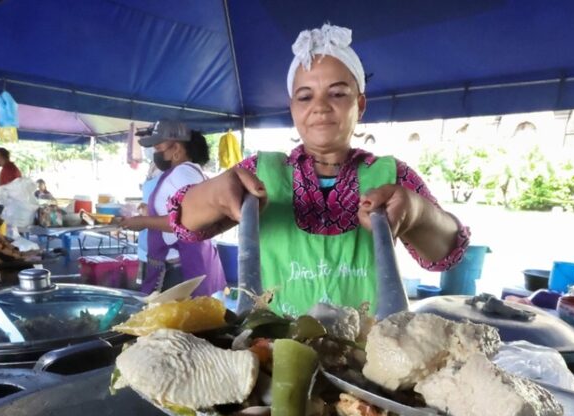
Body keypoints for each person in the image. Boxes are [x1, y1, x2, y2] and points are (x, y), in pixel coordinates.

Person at [162, 24, 470, 316]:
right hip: (273, 356)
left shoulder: (392, 175)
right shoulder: (259, 172)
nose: (320, 106)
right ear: (292, 108)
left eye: (337, 93)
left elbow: (445, 254)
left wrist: (416, 211)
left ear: (360, 104)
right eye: (305, 96)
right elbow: (185, 223)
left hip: (365, 361)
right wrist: (215, 196)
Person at [119, 120, 226, 297]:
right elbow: (178, 210)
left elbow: (190, 219)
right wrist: (149, 211)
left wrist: (144, 222)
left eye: (159, 148)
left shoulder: (183, 173)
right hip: (179, 262)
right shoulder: (181, 172)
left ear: (176, 148)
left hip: (182, 266)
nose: (155, 153)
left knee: (180, 321)